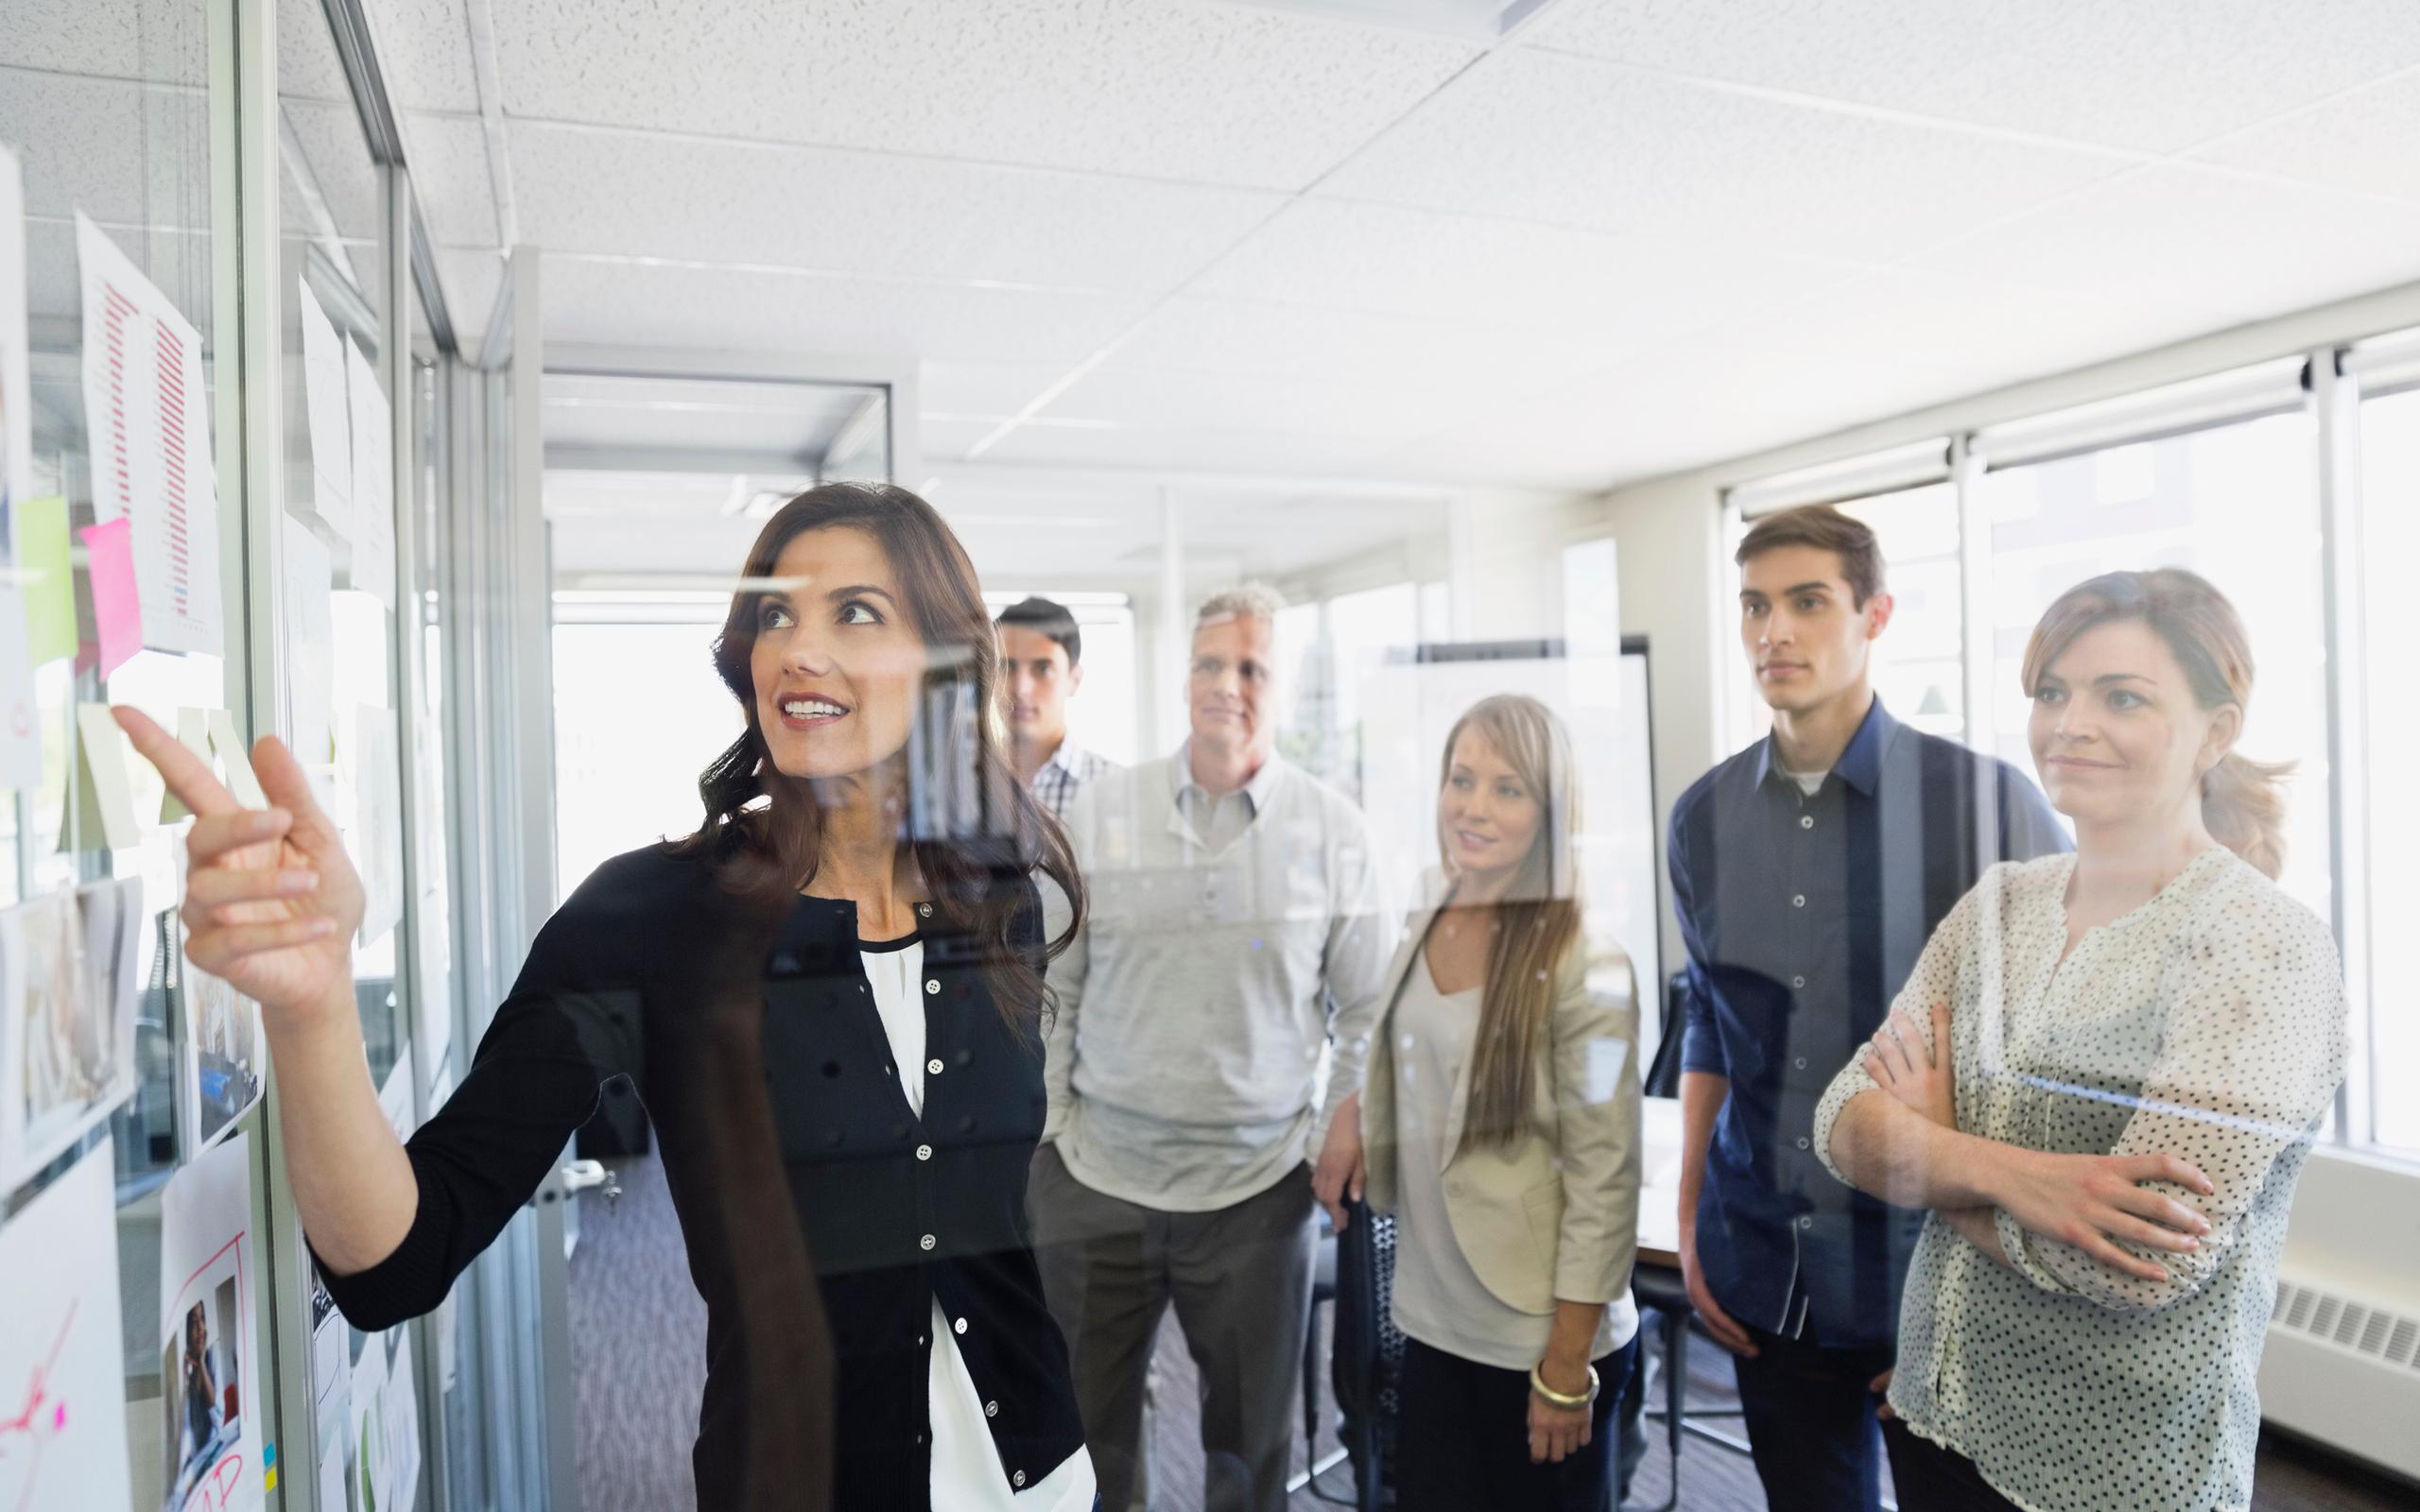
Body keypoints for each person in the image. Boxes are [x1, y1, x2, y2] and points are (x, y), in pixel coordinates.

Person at [115, 482, 1099, 1512]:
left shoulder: (994, 898)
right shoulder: (654, 914)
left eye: (855, 611)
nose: (798, 649)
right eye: (775, 613)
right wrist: (311, 1008)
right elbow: (393, 1264)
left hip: (1039, 1474)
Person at [1816, 568, 2348, 1512]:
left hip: (2113, 1473)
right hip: (1938, 1412)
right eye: (2052, 693)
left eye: (2123, 697)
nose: (2071, 724)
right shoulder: (1997, 906)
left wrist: (1932, 1158)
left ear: (2215, 734)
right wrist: (2016, 1175)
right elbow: (1840, 1122)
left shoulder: (2263, 946)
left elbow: (2147, 1262)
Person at [1668, 504, 2068, 1512]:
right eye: (1755, 606)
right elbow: (1712, 1025)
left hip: (1935, 1268)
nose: (1775, 632)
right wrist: (1689, 1218)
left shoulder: (1983, 803)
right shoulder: (1700, 818)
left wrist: (1984, 1288)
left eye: (1808, 602)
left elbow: (2046, 1054)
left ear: (1874, 614)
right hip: (1761, 1263)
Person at [1028, 582, 1395, 1512]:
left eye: (1250, 667)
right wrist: (1054, 1132)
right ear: (1182, 673)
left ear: (1281, 688)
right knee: (1089, 1451)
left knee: (1245, 1459)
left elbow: (1365, 1009)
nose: (1224, 683)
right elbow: (1054, 988)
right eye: (1207, 662)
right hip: (1095, 1181)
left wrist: (1328, 1135)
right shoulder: (1101, 812)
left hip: (1255, 1197)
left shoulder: (1334, 832)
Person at [1321, 694, 1641, 1512]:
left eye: (1507, 789)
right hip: (1433, 1315)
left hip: (1540, 1333)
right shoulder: (1435, 904)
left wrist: (1568, 1364)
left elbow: (1605, 1180)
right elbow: (1412, 1043)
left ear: (1549, 810)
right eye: (1461, 779)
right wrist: (1356, 1109)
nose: (1473, 806)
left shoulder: (1585, 956)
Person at [996, 595, 1115, 816]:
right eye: (1006, 667)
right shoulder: (958, 782)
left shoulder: (1115, 789)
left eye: (1043, 669)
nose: (1021, 688)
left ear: (1074, 680)